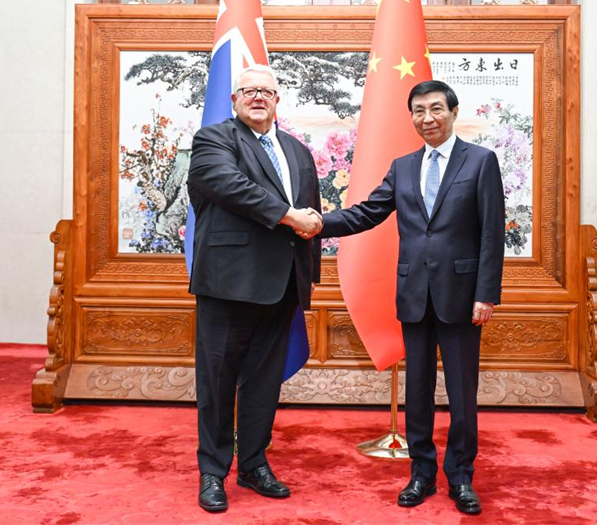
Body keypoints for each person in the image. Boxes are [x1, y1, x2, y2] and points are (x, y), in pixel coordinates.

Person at [321, 80, 505, 516]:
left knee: (462, 394)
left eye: (436, 109)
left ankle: (460, 475)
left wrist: (486, 294)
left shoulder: (480, 162)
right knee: (417, 391)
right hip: (413, 295)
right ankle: (421, 472)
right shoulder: (403, 166)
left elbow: (491, 233)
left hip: (462, 297)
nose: (428, 118)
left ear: (453, 112)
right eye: (419, 111)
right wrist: (317, 223)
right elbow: (368, 211)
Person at [187, 65, 323, 513]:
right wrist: (289, 216)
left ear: (278, 100)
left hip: (282, 285)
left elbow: (312, 216)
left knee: (265, 381)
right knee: (218, 382)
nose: (258, 96)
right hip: (228, 283)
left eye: (267, 90)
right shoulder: (214, 141)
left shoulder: (297, 151)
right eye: (249, 90)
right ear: (234, 100)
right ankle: (212, 471)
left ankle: (253, 463)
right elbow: (231, 187)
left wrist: (309, 276)